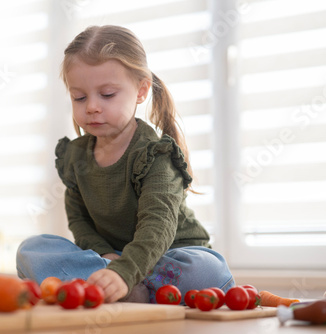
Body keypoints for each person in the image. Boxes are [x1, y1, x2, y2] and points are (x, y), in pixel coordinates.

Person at [16, 25, 234, 304]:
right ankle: (119, 285)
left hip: (166, 256)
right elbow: (79, 221)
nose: (92, 106)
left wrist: (126, 271)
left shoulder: (155, 155)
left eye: (107, 95)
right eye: (79, 97)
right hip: (113, 260)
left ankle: (118, 285)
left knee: (208, 269)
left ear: (141, 90)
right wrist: (106, 257)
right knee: (32, 249)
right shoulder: (75, 157)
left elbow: (158, 226)